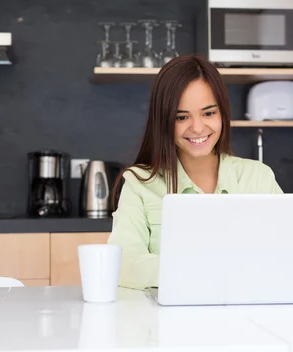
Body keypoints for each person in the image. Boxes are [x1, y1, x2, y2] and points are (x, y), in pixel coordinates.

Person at [107, 54, 283, 291]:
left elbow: (290, 254)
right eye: (181, 117)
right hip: (164, 323)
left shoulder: (259, 177)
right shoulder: (140, 183)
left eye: (208, 113)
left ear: (223, 113)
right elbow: (123, 264)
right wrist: (206, 271)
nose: (198, 128)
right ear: (163, 121)